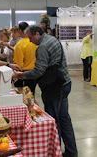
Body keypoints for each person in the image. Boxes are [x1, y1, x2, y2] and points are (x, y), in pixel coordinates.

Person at [12, 25, 78, 157]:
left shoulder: (42, 47)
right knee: (64, 118)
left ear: (37, 34)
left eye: (31, 38)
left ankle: (56, 152)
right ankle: (72, 151)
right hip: (65, 82)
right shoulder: (53, 39)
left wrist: (21, 75)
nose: (30, 41)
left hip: (54, 87)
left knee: (54, 120)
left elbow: (38, 71)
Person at [13, 22, 38, 94]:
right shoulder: (35, 43)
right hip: (35, 72)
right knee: (31, 94)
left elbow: (18, 64)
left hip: (23, 74)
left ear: (20, 31)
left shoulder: (19, 45)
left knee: (23, 97)